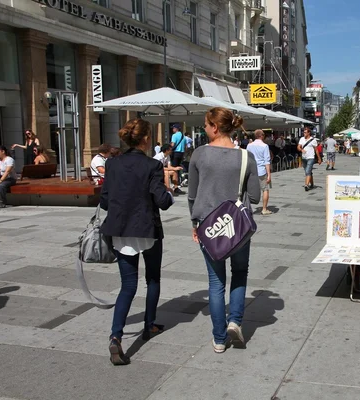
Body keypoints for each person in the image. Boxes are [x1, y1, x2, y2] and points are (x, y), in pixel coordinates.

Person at [100, 119, 173, 366]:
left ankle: (116, 335)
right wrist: (170, 193)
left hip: (120, 229)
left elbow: (105, 201)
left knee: (127, 285)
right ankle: (149, 325)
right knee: (152, 279)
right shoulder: (153, 165)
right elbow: (162, 200)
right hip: (147, 229)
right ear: (144, 139)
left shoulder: (112, 164)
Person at [188, 107, 260, 353]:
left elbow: (192, 195)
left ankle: (219, 339)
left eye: (205, 125)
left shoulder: (199, 154)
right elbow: (256, 196)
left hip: (209, 226)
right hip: (238, 228)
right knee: (240, 272)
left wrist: (194, 222)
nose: (204, 128)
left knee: (215, 281)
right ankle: (235, 321)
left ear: (215, 127)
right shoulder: (245, 156)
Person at [247, 129, 272, 215]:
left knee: (248, 190)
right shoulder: (265, 146)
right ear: (261, 136)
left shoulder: (249, 146)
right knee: (265, 189)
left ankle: (247, 208)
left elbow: (247, 158)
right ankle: (264, 209)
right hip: (261, 170)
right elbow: (267, 161)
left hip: (251, 170)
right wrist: (269, 174)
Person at [298, 127, 322, 191]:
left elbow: (316, 150)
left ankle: (306, 185)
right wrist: (301, 149)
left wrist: (319, 159)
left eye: (305, 132)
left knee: (307, 171)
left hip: (311, 157)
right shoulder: (302, 139)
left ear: (309, 133)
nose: (304, 133)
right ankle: (312, 184)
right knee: (308, 172)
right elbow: (298, 147)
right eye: (304, 132)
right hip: (304, 158)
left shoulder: (313, 140)